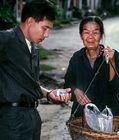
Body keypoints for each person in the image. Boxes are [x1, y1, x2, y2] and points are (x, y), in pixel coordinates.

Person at [0, 1, 71, 140]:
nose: (47, 35)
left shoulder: (33, 49)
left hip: (32, 118)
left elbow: (30, 84)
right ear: (30, 21)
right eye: (45, 28)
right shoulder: (6, 39)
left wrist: (50, 94)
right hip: (11, 120)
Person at [64, 16, 119, 118]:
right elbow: (68, 84)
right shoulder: (76, 57)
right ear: (81, 36)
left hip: (110, 117)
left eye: (95, 33)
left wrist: (112, 61)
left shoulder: (113, 55)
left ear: (101, 36)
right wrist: (75, 91)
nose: (90, 37)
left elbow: (116, 87)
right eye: (86, 32)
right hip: (82, 117)